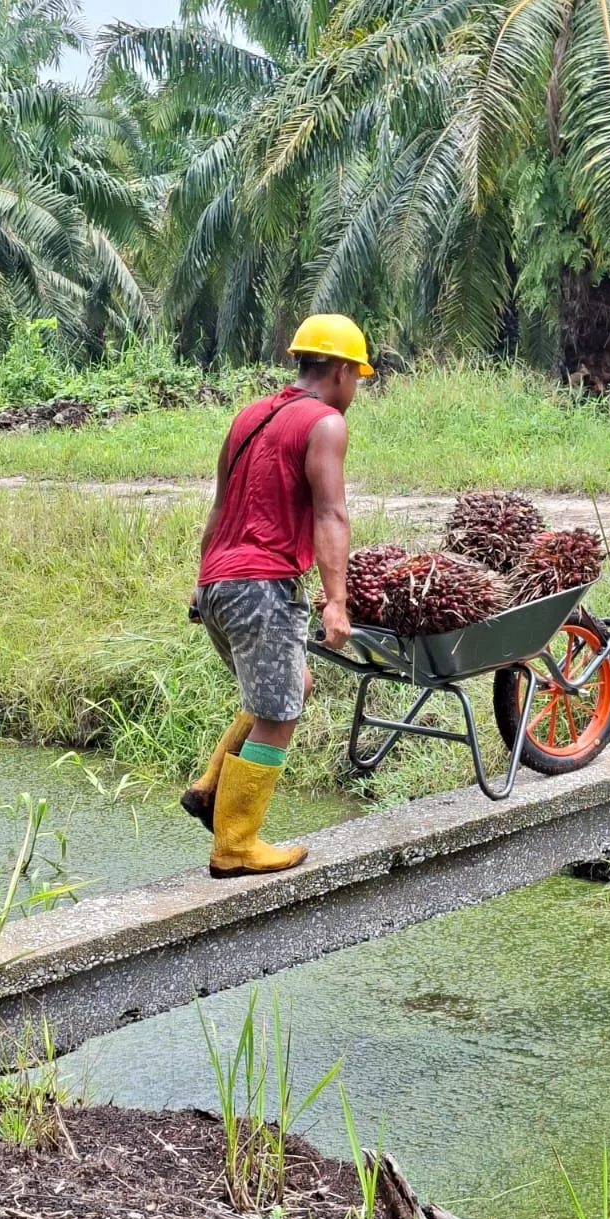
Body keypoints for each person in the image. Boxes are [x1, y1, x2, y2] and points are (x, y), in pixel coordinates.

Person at [183, 314, 372, 877]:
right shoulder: (325, 423)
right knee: (278, 714)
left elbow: (219, 508)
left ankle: (211, 785)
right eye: (357, 376)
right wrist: (336, 601)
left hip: (220, 585)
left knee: (292, 685)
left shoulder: (249, 416)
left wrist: (201, 580)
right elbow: (331, 513)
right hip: (261, 588)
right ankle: (235, 845)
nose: (356, 388)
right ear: (339, 370)